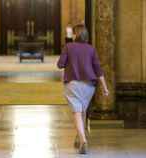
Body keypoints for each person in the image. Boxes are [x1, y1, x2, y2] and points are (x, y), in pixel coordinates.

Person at [57, 24, 109, 154]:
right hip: (89, 86)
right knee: (82, 110)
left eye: (73, 33)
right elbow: (98, 70)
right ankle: (79, 136)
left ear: (76, 34)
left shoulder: (68, 47)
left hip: (73, 85)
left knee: (76, 112)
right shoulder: (91, 49)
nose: (72, 35)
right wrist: (105, 87)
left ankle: (83, 140)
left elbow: (60, 64)